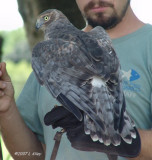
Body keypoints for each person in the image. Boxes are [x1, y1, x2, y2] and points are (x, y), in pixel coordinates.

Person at [0, 0, 152, 159]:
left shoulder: (148, 43)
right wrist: (6, 109)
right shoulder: (47, 52)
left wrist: (117, 136)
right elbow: (31, 156)